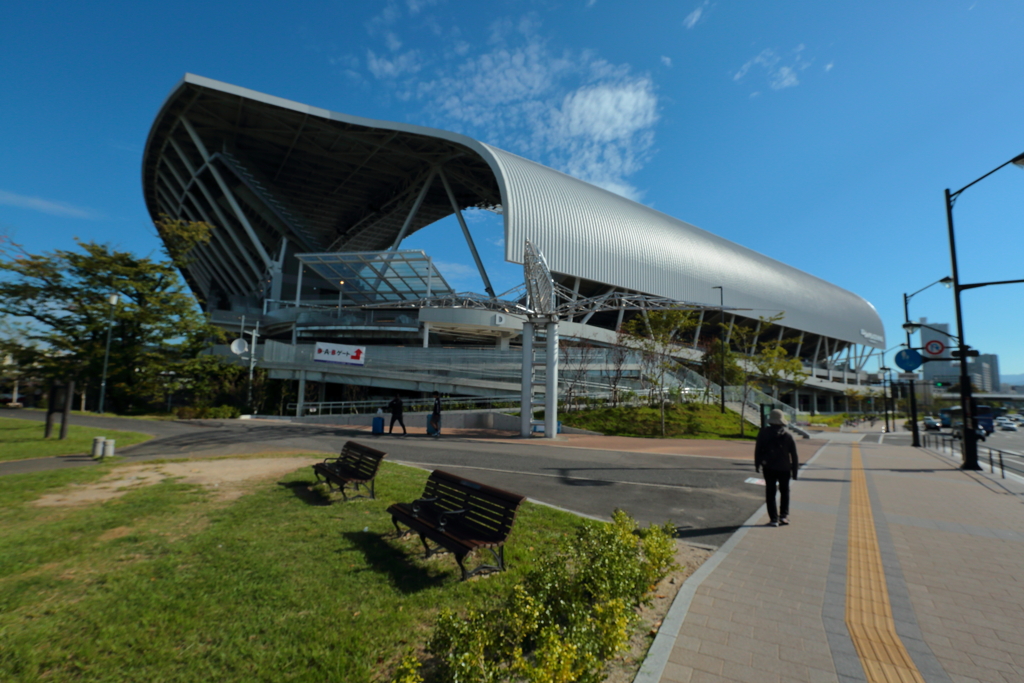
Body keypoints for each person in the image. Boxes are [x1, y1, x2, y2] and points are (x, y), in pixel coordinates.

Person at [754, 409, 799, 527]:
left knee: (770, 492)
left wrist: (757, 464)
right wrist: (795, 472)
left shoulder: (763, 433)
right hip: (785, 468)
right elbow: (794, 455)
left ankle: (773, 519)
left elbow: (758, 450)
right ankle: (783, 516)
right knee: (785, 492)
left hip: (769, 467)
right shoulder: (788, 436)